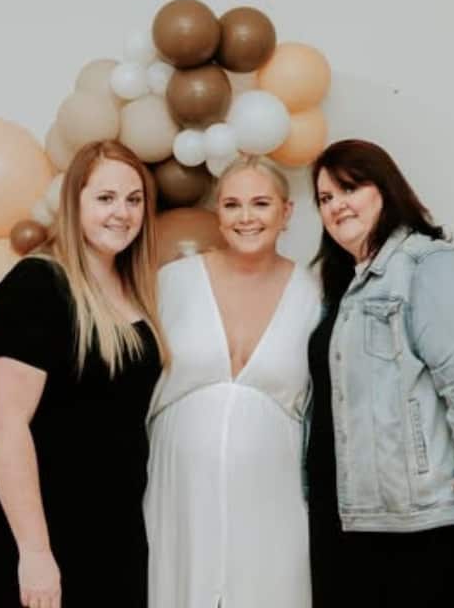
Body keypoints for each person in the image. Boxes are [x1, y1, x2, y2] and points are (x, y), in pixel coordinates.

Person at [305, 139, 454, 607]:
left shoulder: (431, 267)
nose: (336, 206)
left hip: (432, 521)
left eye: (349, 189)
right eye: (325, 198)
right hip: (361, 518)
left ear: (386, 190)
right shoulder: (347, 289)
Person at [0, 139, 167, 608]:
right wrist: (35, 553)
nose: (122, 212)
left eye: (134, 199)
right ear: (74, 203)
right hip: (41, 525)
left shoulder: (131, 289)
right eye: (105, 198)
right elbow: (5, 425)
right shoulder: (36, 285)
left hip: (109, 521)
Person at [144, 155, 321, 607]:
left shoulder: (315, 294)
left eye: (260, 203)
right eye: (232, 204)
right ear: (217, 214)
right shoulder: (171, 283)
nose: (246, 217)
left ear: (286, 212)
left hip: (273, 499)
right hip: (178, 494)